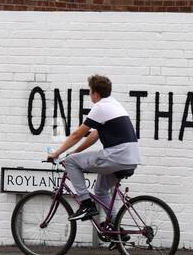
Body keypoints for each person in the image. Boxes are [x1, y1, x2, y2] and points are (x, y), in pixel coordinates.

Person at [46, 74, 141, 222]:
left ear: (95, 93)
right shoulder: (114, 104)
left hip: (116, 155)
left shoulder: (100, 107)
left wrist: (57, 153)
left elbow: (77, 134)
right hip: (131, 157)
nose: (89, 95)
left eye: (90, 91)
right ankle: (116, 228)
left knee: (70, 162)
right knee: (101, 190)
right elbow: (94, 135)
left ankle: (86, 204)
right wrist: (74, 152)